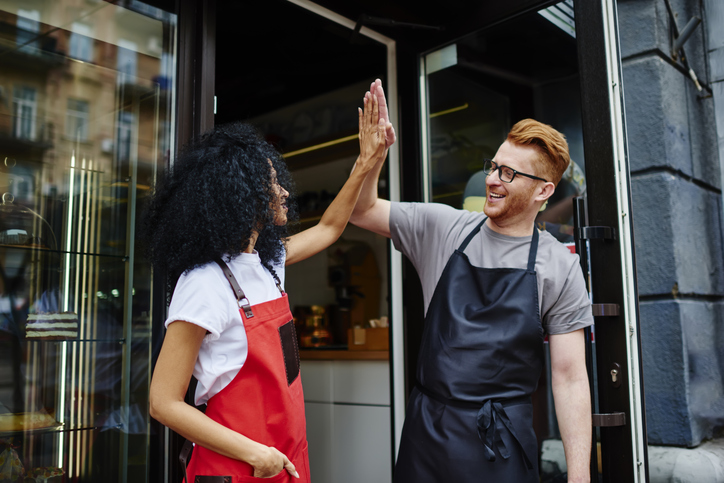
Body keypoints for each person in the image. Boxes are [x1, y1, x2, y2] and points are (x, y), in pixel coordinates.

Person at [143, 81, 393, 482]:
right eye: (273, 183)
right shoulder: (204, 283)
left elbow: (329, 227)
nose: (283, 192)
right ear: (242, 195)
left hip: (286, 458)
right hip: (237, 468)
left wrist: (367, 161)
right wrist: (256, 453)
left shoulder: (266, 263)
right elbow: (163, 402)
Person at [350, 96, 593, 482]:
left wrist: (579, 477)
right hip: (427, 432)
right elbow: (361, 210)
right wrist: (371, 159)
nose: (492, 179)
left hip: (501, 443)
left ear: (543, 192)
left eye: (509, 174)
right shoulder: (442, 228)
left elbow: (569, 377)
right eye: (493, 166)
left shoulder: (559, 267)